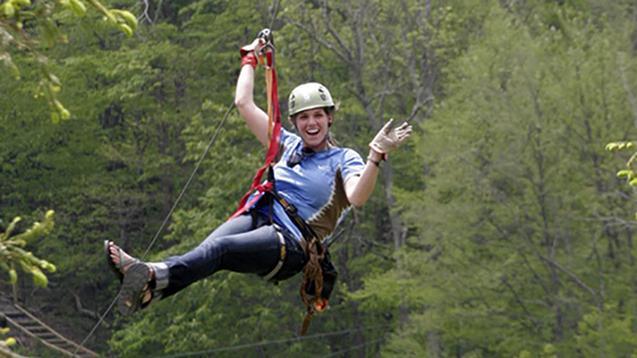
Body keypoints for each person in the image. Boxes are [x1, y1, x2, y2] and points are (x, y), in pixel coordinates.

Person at [105, 36, 412, 316]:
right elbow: (243, 103)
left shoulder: (344, 159)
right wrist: (249, 59)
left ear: (330, 118)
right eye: (304, 117)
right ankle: (149, 292)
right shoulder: (288, 144)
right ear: (295, 122)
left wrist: (375, 155)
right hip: (262, 212)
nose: (312, 123)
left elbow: (357, 197)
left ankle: (147, 274)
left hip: (291, 241)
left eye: (318, 115)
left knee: (220, 251)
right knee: (205, 252)